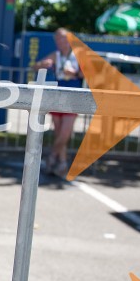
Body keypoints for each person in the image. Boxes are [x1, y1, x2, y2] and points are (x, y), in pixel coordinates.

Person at [32, 28, 83, 177]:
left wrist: (73, 73)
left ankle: (52, 157)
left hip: (73, 97)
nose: (61, 42)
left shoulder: (77, 55)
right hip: (58, 95)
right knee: (59, 131)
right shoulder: (56, 55)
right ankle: (62, 163)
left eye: (64, 39)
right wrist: (43, 64)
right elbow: (35, 66)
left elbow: (86, 74)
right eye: (58, 39)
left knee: (65, 132)